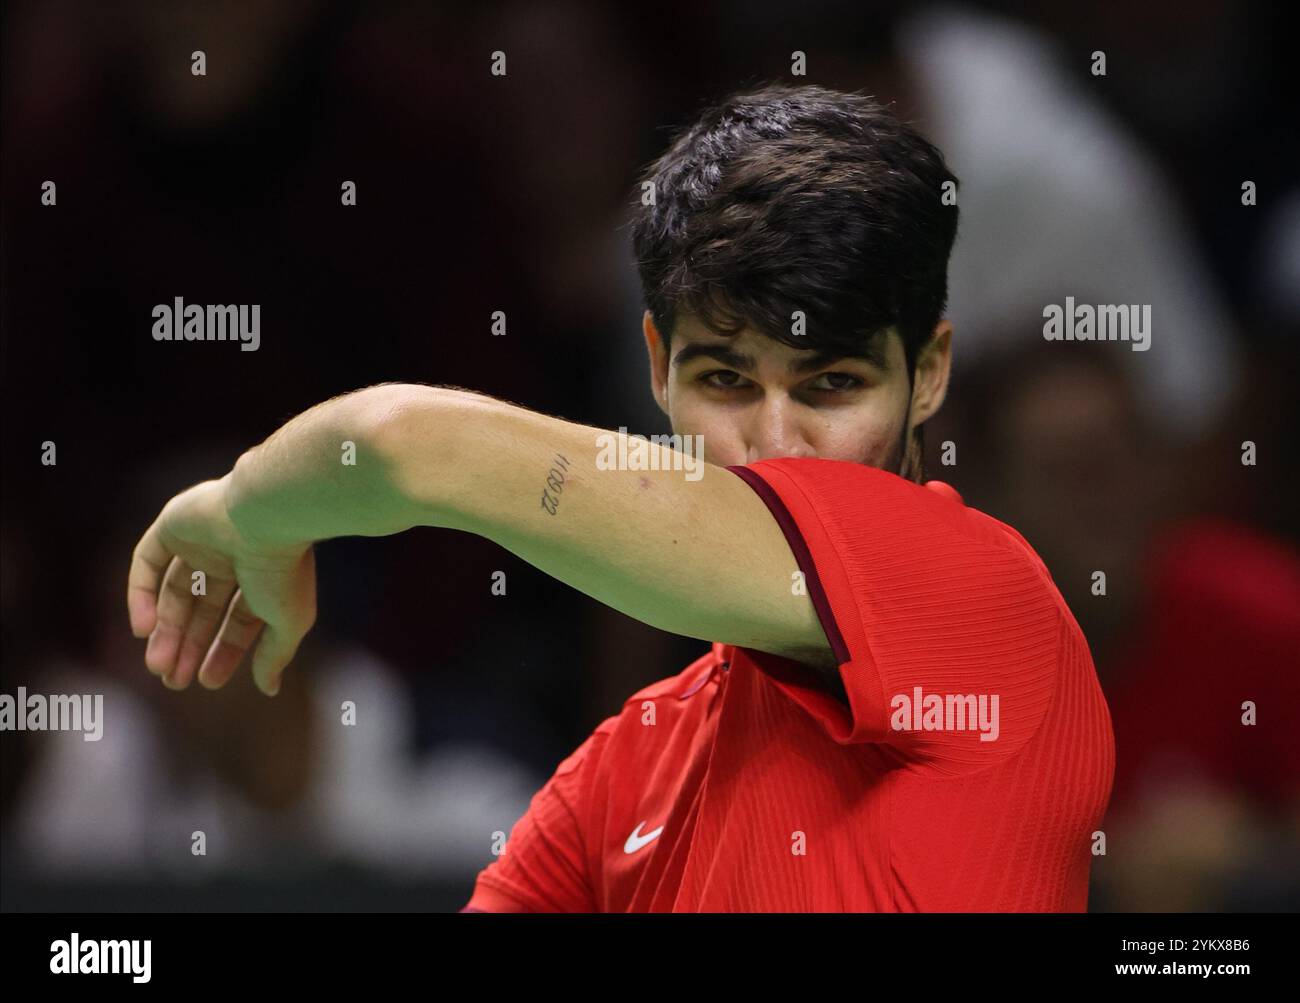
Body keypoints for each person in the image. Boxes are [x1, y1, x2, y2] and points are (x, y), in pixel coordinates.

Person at [126, 84, 1114, 912]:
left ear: (929, 373)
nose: (773, 445)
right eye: (725, 381)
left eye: (831, 386)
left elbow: (405, 447)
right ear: (655, 366)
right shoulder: (625, 772)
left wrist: (243, 511)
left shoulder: (981, 605)